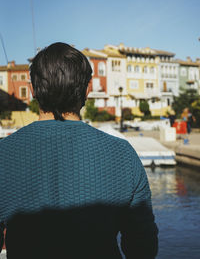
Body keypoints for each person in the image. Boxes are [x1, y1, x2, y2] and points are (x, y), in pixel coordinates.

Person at [0, 43, 158, 259]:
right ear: (87, 89)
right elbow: (143, 247)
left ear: (34, 90)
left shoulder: (3, 154)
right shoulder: (123, 155)